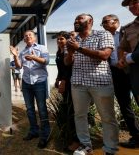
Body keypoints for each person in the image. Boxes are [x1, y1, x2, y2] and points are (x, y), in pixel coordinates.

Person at [64, 13, 118, 155]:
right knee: (79, 115)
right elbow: (67, 62)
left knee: (107, 117)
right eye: (75, 19)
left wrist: (79, 49)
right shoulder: (72, 40)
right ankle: (85, 146)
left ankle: (110, 149)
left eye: (80, 19)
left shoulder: (103, 34)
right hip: (78, 83)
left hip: (99, 81)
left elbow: (105, 55)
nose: (76, 21)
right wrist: (70, 53)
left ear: (90, 21)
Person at [101, 14, 139, 149]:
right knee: (125, 106)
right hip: (116, 73)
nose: (104, 24)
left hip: (133, 69)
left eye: (106, 22)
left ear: (116, 21)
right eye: (102, 23)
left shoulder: (127, 30)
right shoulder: (103, 37)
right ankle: (136, 136)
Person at [10, 30, 50, 149]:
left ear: (35, 38)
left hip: (39, 82)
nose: (27, 37)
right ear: (24, 39)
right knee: (30, 109)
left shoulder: (42, 48)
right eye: (25, 36)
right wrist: (16, 56)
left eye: (30, 35)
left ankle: (45, 134)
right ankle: (34, 131)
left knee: (42, 109)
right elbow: (18, 66)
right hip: (27, 83)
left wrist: (34, 57)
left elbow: (46, 61)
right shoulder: (22, 52)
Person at [118, 0, 139, 148]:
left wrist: (131, 58)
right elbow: (123, 47)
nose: (131, 6)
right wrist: (122, 59)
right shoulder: (130, 28)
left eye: (135, 2)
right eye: (129, 4)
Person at [54, 31, 79, 151]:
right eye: (58, 39)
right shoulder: (59, 51)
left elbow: (69, 67)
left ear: (68, 40)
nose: (59, 41)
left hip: (70, 82)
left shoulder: (68, 50)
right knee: (68, 108)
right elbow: (60, 68)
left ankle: (76, 140)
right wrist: (57, 79)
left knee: (72, 110)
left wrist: (63, 81)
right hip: (63, 80)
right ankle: (69, 135)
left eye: (62, 39)